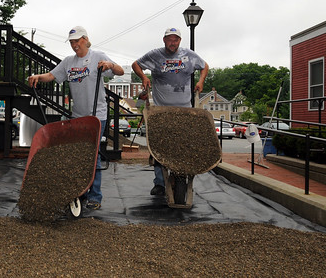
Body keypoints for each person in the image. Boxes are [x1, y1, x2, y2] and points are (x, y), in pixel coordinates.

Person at [28, 26, 124, 209]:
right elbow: (52, 75)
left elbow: (119, 71)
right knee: (78, 155)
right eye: (71, 42)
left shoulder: (97, 56)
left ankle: (95, 196)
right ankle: (81, 191)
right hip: (78, 116)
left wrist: (109, 65)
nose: (74, 45)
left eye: (77, 41)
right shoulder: (68, 62)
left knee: (92, 154)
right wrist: (38, 77)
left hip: (97, 115)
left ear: (85, 40)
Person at [132, 27, 209, 196]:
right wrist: (144, 77)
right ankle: (160, 182)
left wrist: (201, 81)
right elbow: (135, 64)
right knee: (160, 147)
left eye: (175, 39)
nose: (172, 42)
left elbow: (205, 66)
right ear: (164, 40)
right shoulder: (155, 55)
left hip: (184, 111)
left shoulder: (189, 55)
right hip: (161, 111)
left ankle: (180, 175)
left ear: (179, 41)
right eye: (169, 39)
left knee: (182, 146)